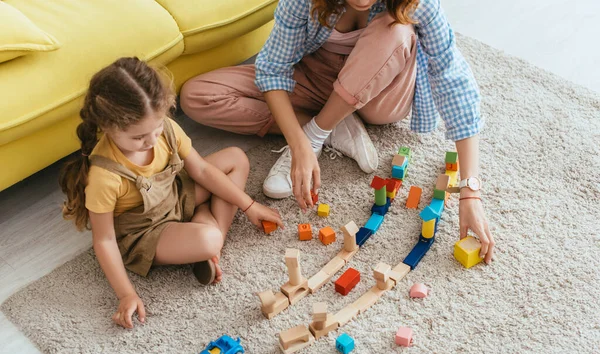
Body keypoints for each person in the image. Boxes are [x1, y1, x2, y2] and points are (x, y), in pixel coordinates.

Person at [180, 0, 495, 264]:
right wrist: (300, 145)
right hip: (315, 80)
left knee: (397, 30)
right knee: (197, 96)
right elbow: (272, 69)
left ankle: (320, 127)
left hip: (380, 96)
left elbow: (454, 81)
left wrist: (471, 191)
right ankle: (330, 125)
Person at [59, 57, 283, 329]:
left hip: (176, 195)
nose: (151, 140)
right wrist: (126, 293)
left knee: (236, 158)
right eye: (139, 137)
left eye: (155, 129)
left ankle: (208, 236)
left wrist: (249, 206)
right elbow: (104, 240)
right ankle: (209, 237)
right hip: (146, 232)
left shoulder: (165, 129)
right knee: (209, 238)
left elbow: (200, 171)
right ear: (108, 127)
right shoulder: (104, 176)